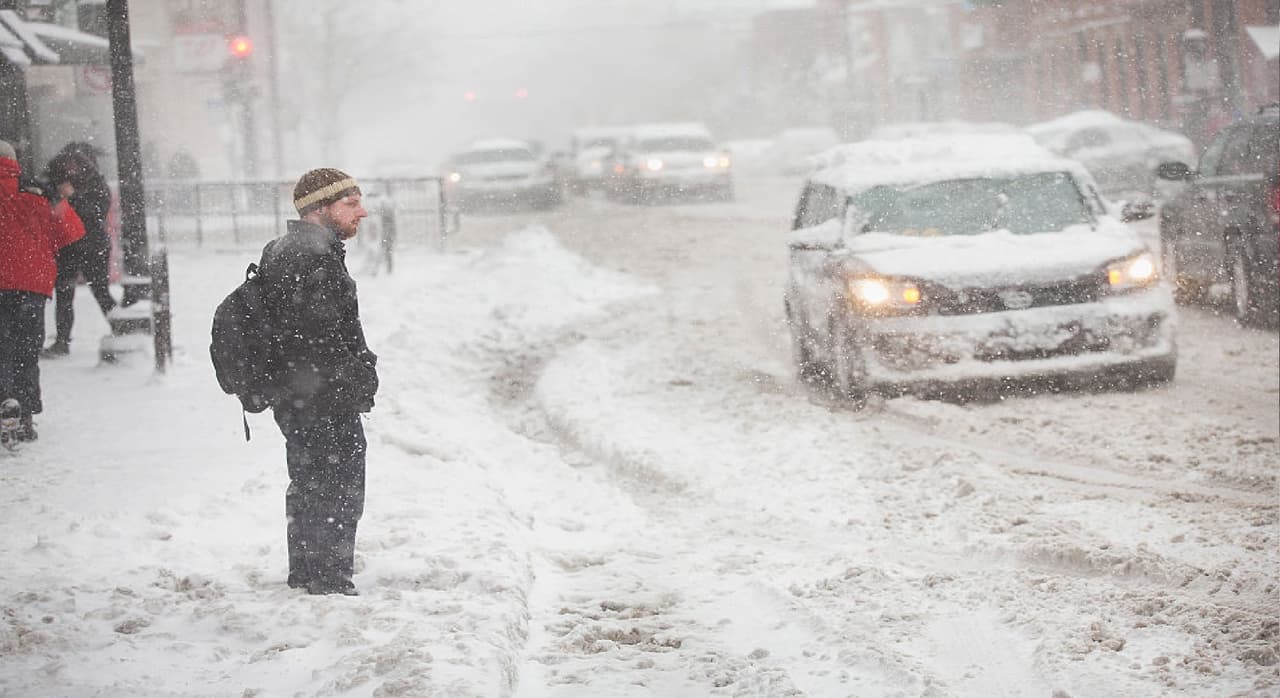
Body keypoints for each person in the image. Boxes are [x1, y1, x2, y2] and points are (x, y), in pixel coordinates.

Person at [257, 167, 378, 595]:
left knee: (311, 481)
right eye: (350, 204)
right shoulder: (310, 259)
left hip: (302, 394)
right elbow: (317, 338)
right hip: (319, 395)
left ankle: (309, 571)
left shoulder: (286, 250)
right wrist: (358, 372)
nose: (362, 212)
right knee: (337, 484)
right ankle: (328, 579)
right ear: (318, 208)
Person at [0, 140, 86, 440]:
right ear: (14, 162)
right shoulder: (38, 193)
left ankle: (3, 401)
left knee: (2, 348)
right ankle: (25, 414)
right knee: (27, 350)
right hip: (31, 285)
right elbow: (72, 232)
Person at [41, 147, 116, 357]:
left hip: (91, 247)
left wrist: (72, 198)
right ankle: (62, 341)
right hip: (70, 247)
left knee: (100, 292)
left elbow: (95, 214)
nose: (70, 170)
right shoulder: (57, 184)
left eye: (74, 166)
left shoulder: (96, 186)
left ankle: (119, 329)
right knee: (64, 295)